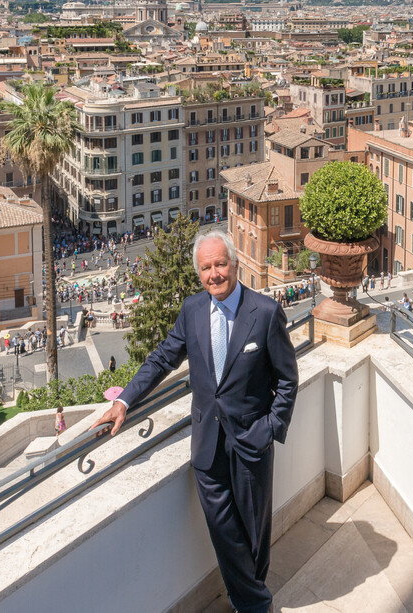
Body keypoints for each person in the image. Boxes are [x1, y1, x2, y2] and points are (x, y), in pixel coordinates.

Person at [90, 230, 298, 613]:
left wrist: (270, 429)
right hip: (207, 443)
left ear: (234, 264)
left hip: (252, 441)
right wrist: (124, 401)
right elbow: (161, 359)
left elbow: (288, 379)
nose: (214, 274)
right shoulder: (192, 310)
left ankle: (250, 602)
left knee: (255, 531)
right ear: (198, 272)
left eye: (220, 264)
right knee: (222, 528)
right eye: (206, 267)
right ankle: (257, 605)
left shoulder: (265, 313)